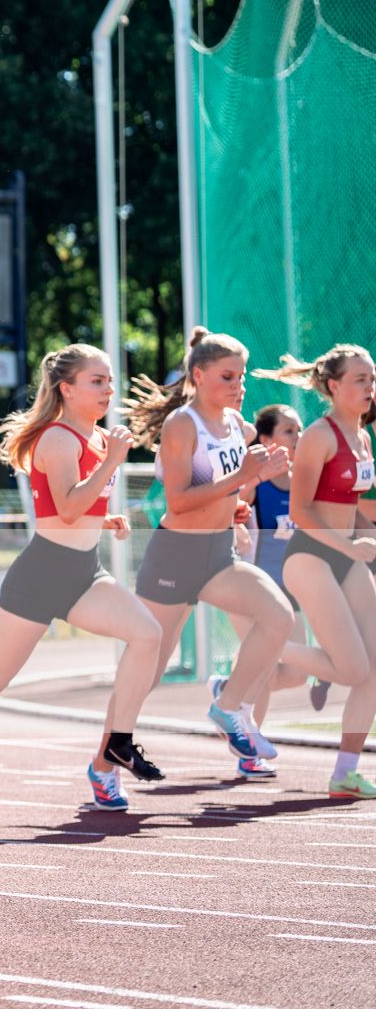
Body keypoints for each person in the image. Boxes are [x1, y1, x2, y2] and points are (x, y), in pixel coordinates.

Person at [0, 344, 164, 816]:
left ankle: (118, 741)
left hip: (83, 573)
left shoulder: (94, 438)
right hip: (40, 575)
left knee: (147, 635)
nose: (108, 389)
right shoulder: (59, 439)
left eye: (110, 380)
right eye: (97, 381)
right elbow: (69, 505)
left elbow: (78, 509)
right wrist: (114, 462)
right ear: (66, 389)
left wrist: (106, 518)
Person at [121, 329, 297, 765]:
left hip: (220, 553)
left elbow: (228, 491)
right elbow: (179, 501)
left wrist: (243, 496)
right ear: (198, 375)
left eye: (241, 377)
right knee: (150, 667)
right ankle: (106, 762)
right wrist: (242, 479)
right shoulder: (183, 424)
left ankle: (228, 705)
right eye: (227, 377)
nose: (239, 386)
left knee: (278, 617)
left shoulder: (239, 425)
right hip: (177, 554)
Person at [252, 346, 376, 798]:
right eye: (360, 379)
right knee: (351, 667)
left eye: (372, 378)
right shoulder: (320, 437)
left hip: (347, 556)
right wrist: (349, 544)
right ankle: (264, 651)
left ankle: (345, 772)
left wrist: (366, 535)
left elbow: (355, 511)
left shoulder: (362, 437)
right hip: (310, 557)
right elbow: (302, 512)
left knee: (373, 669)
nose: (369, 387)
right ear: (334, 386)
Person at [232, 403, 309, 771]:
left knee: (296, 673)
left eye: (300, 430)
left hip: (295, 590)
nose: (298, 438)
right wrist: (259, 478)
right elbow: (236, 502)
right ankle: (249, 752)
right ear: (265, 440)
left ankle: (228, 690)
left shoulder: (306, 480)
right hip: (257, 590)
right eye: (289, 432)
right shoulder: (255, 483)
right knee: (261, 669)